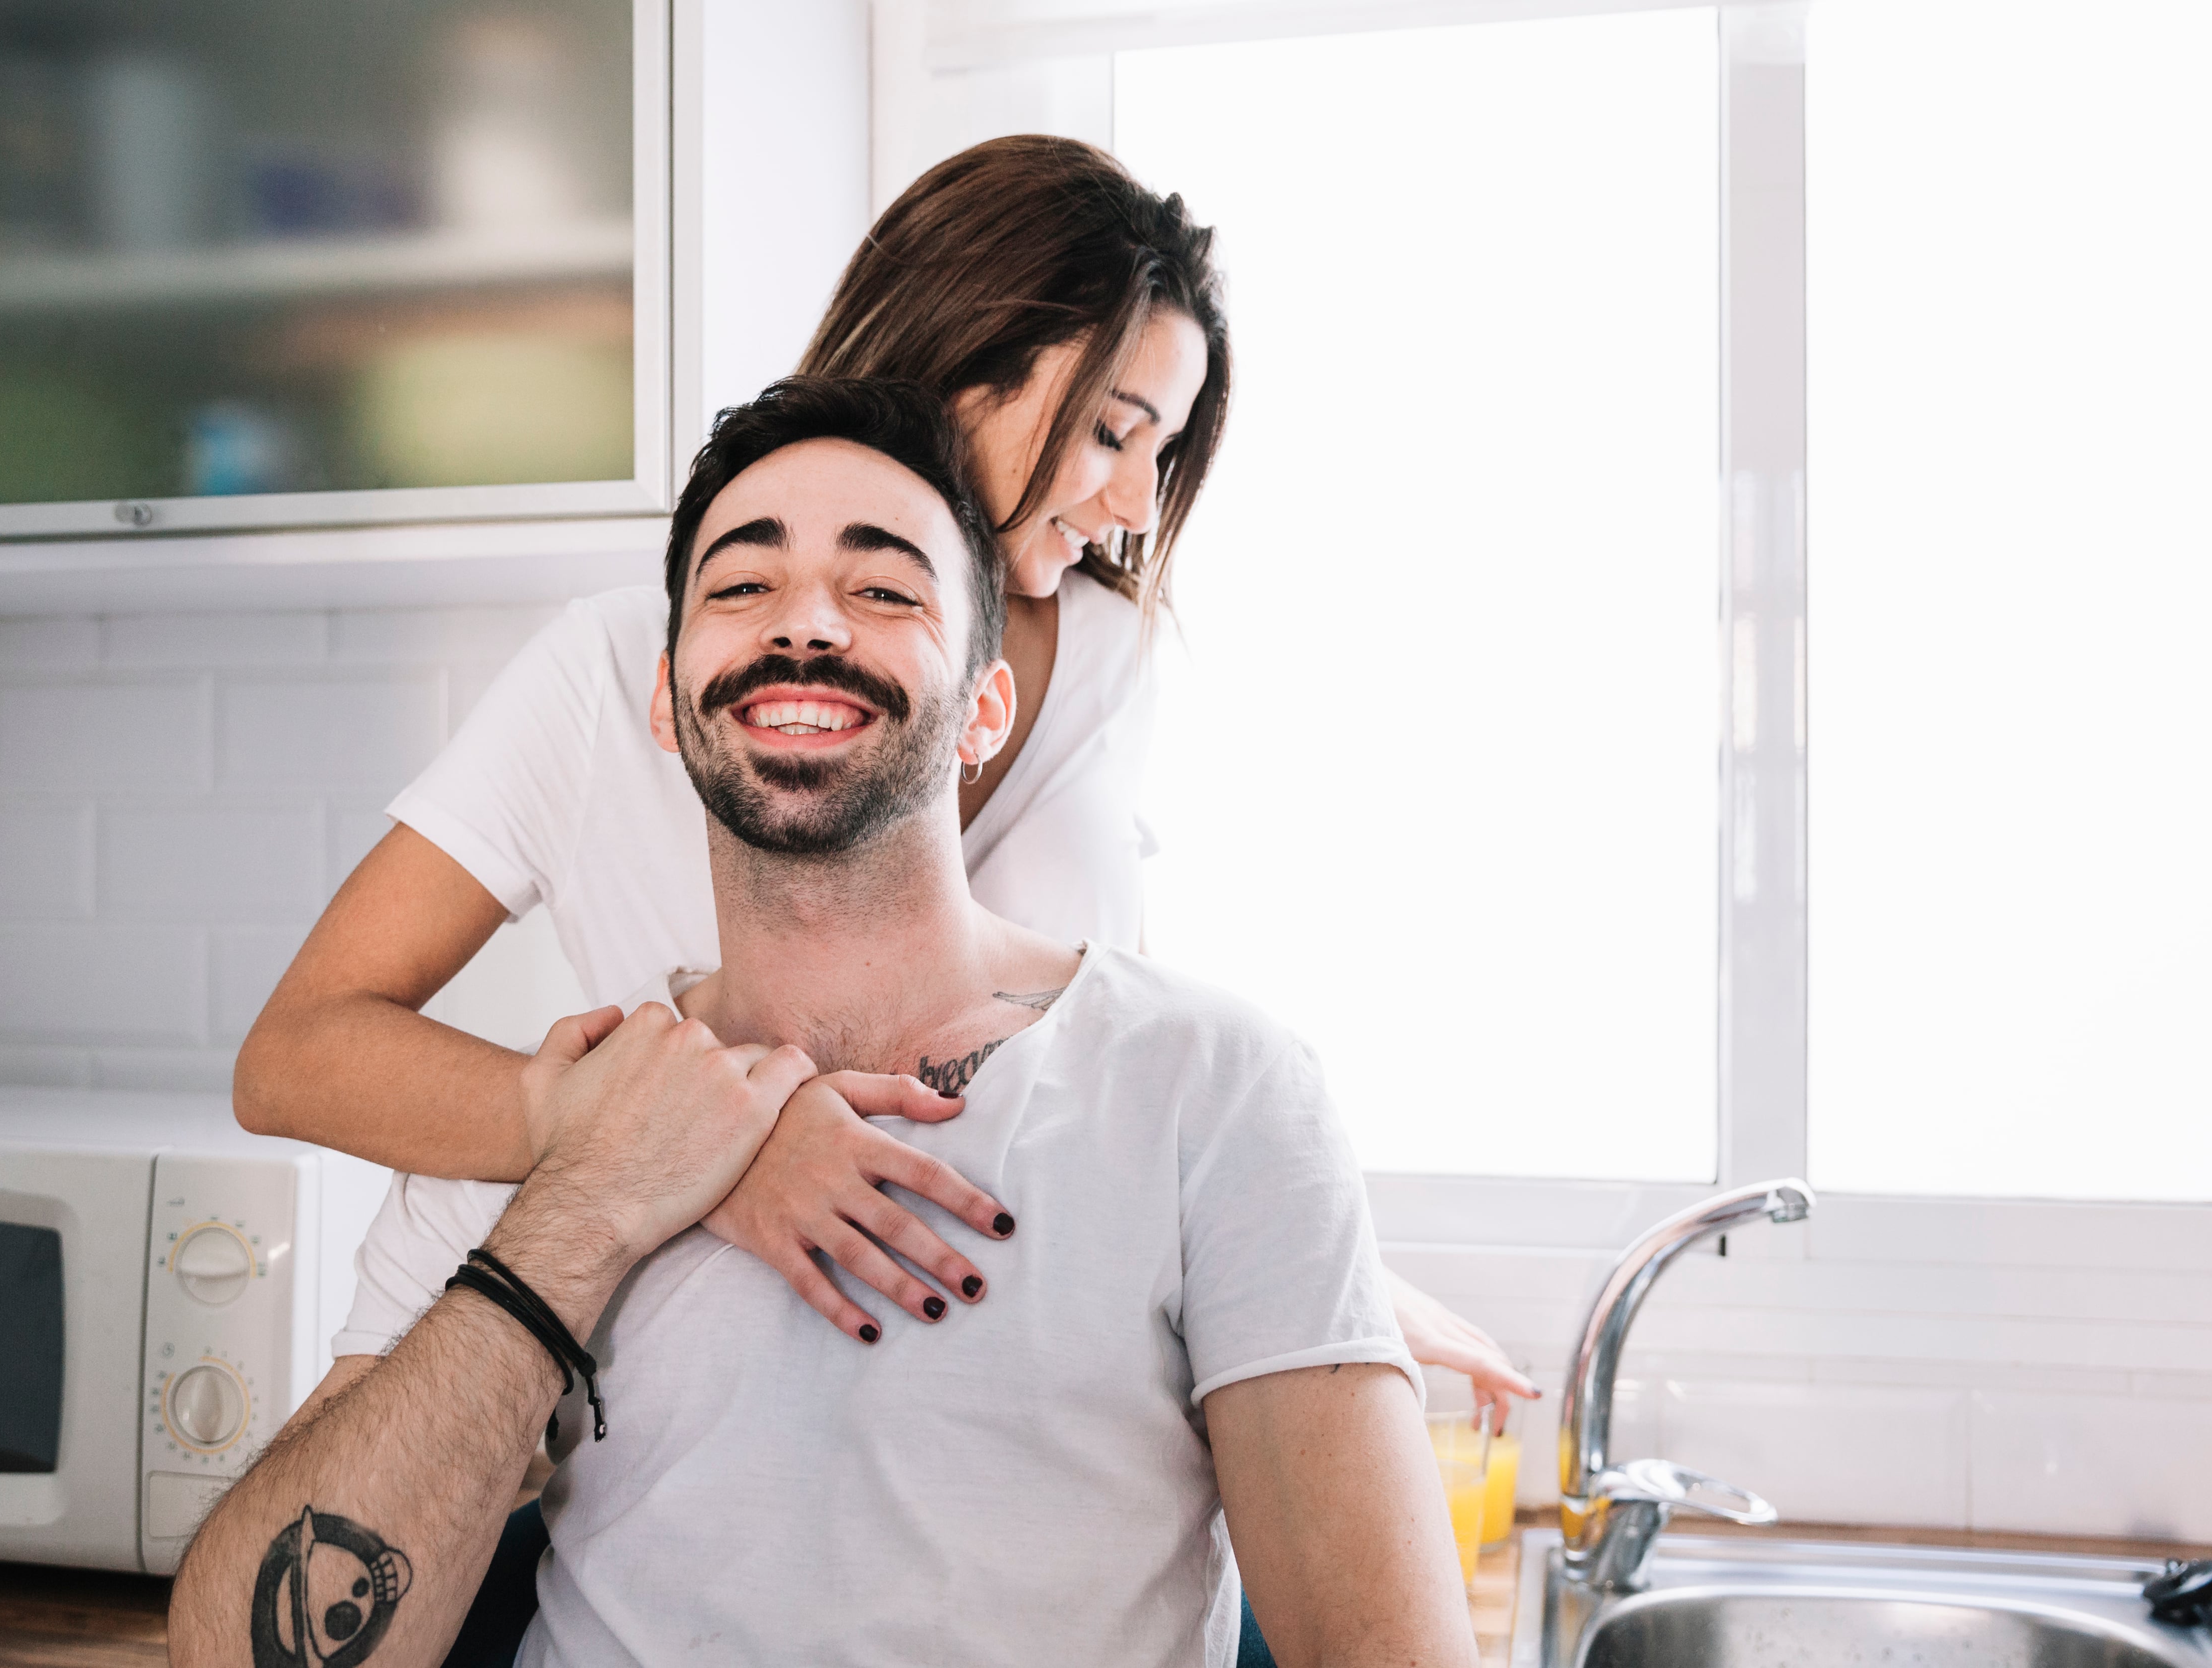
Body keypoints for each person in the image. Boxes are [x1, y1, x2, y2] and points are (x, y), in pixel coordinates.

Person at [170, 379, 1474, 1668]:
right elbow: (241, 1655)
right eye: (741, 588)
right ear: (670, 702)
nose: (803, 623)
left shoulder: (1216, 1090)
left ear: (984, 711)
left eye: (886, 588)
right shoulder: (570, 1110)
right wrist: (581, 1210)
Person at [235, 135, 1532, 1402]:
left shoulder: (1106, 658)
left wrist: (1307, 1276)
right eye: (1111, 434)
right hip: (711, 1423)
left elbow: (1106, 1083)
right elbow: (298, 1055)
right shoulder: (636, 661)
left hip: (1040, 1400)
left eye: (1163, 451)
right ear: (963, 366)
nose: (1137, 502)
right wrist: (683, 1143)